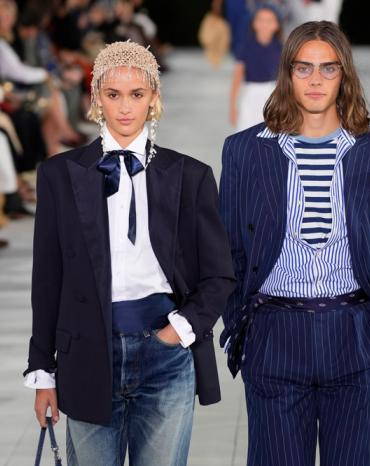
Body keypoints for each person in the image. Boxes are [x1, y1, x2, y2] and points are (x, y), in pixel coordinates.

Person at [24, 41, 235, 466]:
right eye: (113, 94)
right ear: (95, 96)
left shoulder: (189, 176)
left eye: (137, 95)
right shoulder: (59, 176)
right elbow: (47, 279)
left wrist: (179, 330)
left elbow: (220, 274)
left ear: (154, 98)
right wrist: (42, 371)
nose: (125, 108)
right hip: (86, 353)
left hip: (165, 354)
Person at [219, 21, 370, 466]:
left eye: (328, 69)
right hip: (275, 334)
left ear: (345, 74)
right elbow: (229, 251)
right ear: (287, 73)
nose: (315, 80)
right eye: (304, 68)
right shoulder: (245, 151)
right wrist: (242, 329)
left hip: (356, 331)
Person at [229, 4, 282, 131]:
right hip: (250, 94)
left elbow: (285, 78)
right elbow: (237, 77)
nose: (264, 24)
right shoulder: (245, 47)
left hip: (273, 94)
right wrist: (232, 106)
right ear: (253, 23)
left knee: (271, 135)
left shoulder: (281, 48)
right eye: (260, 20)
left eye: (269, 21)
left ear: (277, 25)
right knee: (247, 134)